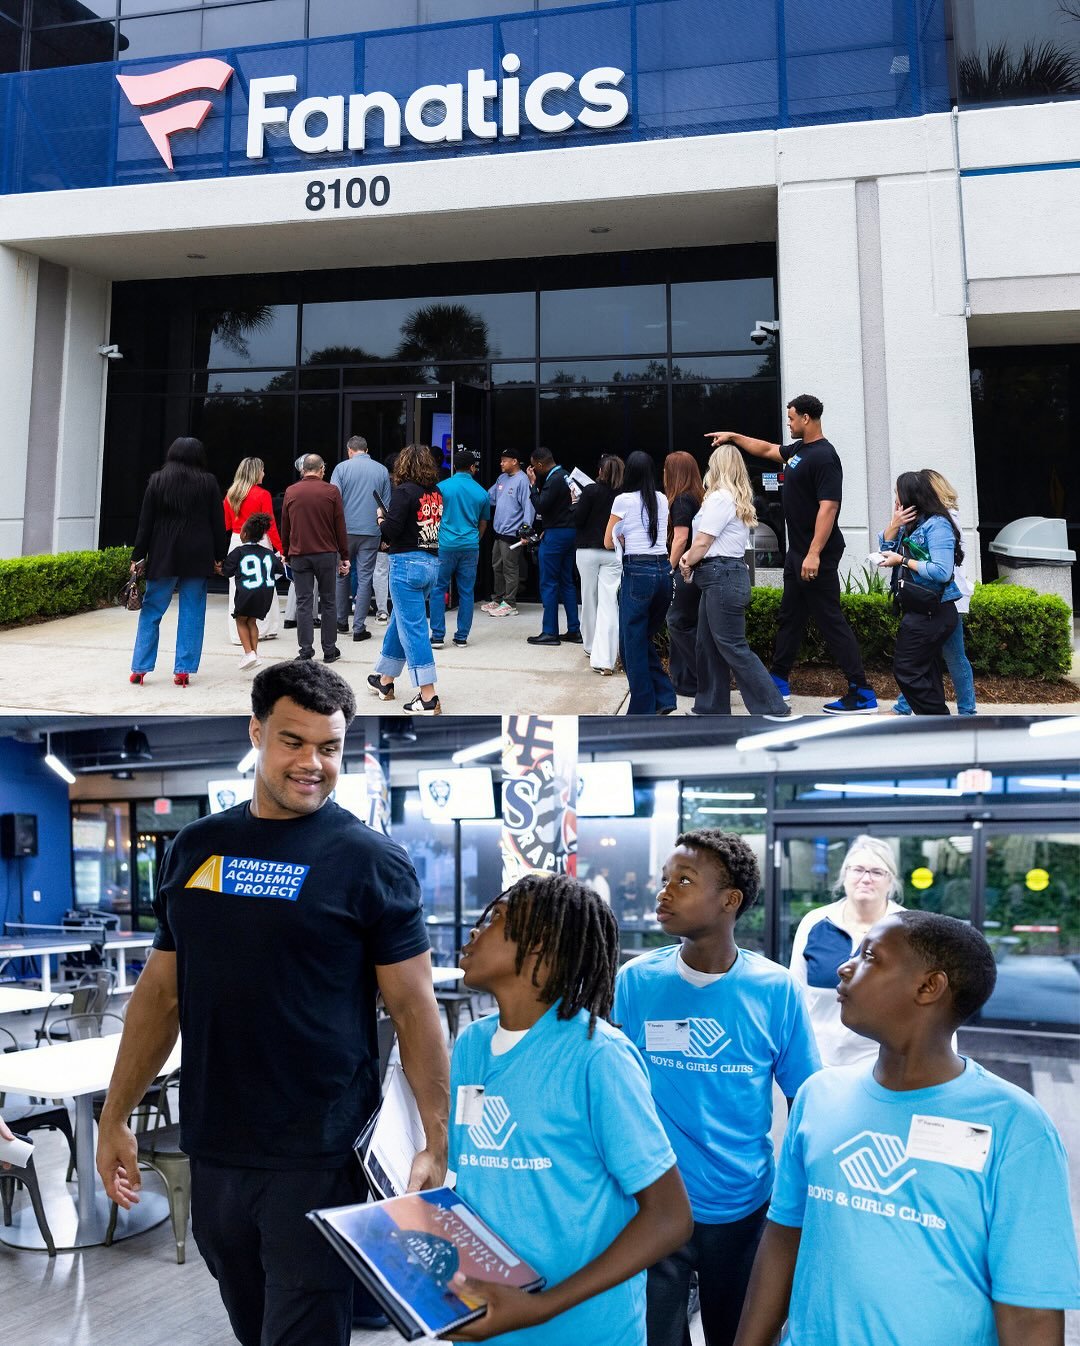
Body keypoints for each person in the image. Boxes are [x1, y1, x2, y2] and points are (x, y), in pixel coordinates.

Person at [96, 661, 451, 1346]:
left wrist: (436, 1141)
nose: (313, 763)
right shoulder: (197, 849)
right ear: (256, 732)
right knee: (252, 1323)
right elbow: (160, 993)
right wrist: (115, 1115)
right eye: (294, 741)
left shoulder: (369, 861)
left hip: (319, 1154)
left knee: (304, 1329)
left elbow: (414, 1012)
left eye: (330, 747)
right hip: (216, 1144)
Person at [734, 911, 1080, 1346]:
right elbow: (784, 1237)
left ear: (928, 987)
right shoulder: (818, 1095)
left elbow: (1030, 1314)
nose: (844, 966)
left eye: (869, 956)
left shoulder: (1016, 1127)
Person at [444, 874, 693, 1345]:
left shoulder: (599, 1055)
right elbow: (476, 1183)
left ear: (539, 946)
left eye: (496, 919)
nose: (475, 931)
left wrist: (540, 1308)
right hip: (486, 1326)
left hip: (583, 1332)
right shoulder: (471, 1045)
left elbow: (670, 1218)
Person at [615, 830, 820, 1346]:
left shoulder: (775, 990)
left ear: (730, 901)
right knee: (655, 1336)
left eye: (683, 881)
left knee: (741, 1333)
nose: (664, 892)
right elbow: (612, 1085)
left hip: (743, 1203)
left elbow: (806, 1101)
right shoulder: (636, 981)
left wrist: (801, 1197)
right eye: (665, 880)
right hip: (652, 1201)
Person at [708, 395, 878, 715]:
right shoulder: (799, 451)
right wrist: (734, 437)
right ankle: (779, 680)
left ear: (806, 418)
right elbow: (769, 450)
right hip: (798, 552)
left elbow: (829, 507)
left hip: (817, 554)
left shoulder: (825, 457)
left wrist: (814, 553)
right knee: (790, 617)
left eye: (791, 418)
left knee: (830, 622)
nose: (788, 423)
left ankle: (862, 692)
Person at [679, 446, 791, 718]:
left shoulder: (720, 498)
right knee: (707, 646)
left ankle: (772, 708)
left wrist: (686, 561)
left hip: (720, 576)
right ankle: (710, 706)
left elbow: (704, 541)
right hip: (721, 577)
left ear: (716, 467)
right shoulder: (733, 499)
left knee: (732, 646)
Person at [787, 834, 903, 1068]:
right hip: (817, 1061)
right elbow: (795, 994)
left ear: (890, 882)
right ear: (845, 875)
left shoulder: (905, 928)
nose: (865, 878)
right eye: (858, 869)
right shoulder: (815, 922)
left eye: (877, 872)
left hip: (879, 1067)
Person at [128, 436, 227, 688]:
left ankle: (139, 668)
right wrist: (219, 556)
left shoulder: (157, 481)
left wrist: (137, 556)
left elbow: (145, 523)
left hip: (163, 553)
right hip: (197, 554)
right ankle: (183, 670)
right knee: (192, 611)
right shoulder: (208, 482)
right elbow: (217, 522)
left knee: (152, 609)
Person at [878, 470, 963, 715]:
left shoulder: (938, 525)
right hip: (917, 608)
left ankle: (937, 719)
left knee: (907, 669)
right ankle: (936, 724)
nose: (896, 499)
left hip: (934, 610)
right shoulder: (913, 522)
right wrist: (895, 524)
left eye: (898, 494)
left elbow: (941, 571)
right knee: (925, 669)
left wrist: (903, 561)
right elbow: (886, 549)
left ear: (912, 496)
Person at [368, 442, 444, 715]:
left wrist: (380, 519)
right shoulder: (435, 493)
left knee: (413, 630)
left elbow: (390, 532)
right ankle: (385, 680)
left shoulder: (403, 492)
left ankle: (427, 696)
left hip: (405, 565)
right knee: (402, 621)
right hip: (431, 563)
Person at [605, 451, 675, 714]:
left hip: (638, 572)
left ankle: (642, 709)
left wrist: (622, 538)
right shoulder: (662, 499)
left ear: (629, 473)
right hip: (663, 570)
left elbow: (608, 540)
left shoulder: (622, 500)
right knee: (640, 638)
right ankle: (664, 697)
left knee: (631, 644)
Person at [280, 454, 350, 665]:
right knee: (329, 601)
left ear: (303, 470)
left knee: (304, 602)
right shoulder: (331, 491)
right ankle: (329, 650)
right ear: (321, 470)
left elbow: (286, 525)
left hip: (300, 554)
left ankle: (305, 650)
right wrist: (344, 555)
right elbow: (340, 526)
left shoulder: (291, 491)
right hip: (326, 554)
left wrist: (285, 551)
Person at [329, 435, 391, 645]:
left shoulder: (341, 468)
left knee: (341, 574)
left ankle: (340, 621)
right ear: (366, 449)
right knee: (365, 578)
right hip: (371, 531)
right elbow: (385, 505)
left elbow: (333, 500)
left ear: (349, 450)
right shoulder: (381, 470)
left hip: (344, 531)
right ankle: (359, 628)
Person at [431, 449, 491, 649]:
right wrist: (475, 539)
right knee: (466, 592)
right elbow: (483, 523)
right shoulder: (482, 492)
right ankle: (461, 637)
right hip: (470, 546)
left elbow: (434, 516)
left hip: (445, 545)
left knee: (438, 589)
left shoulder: (441, 488)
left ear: (454, 467)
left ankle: (438, 636)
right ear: (473, 468)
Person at [223, 456, 283, 645]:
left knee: (236, 587)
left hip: (236, 540)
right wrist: (281, 548)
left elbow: (226, 524)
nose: (264, 473)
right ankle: (266, 628)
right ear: (255, 472)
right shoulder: (262, 495)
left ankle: (237, 634)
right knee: (265, 585)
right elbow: (270, 525)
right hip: (260, 541)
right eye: (262, 470)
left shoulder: (230, 495)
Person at [526, 447, 581, 646]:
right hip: (569, 532)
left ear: (540, 464)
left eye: (534, 466)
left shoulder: (554, 478)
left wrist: (533, 485)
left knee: (548, 583)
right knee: (567, 581)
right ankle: (574, 630)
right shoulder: (566, 476)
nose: (533, 469)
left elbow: (541, 505)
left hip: (556, 536)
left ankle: (550, 632)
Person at [574, 454, 624, 675]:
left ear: (601, 471)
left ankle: (590, 646)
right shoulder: (623, 495)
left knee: (588, 598)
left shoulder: (591, 491)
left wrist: (573, 503)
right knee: (609, 601)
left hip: (587, 550)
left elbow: (578, 520)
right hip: (613, 552)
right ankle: (609, 647)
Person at [663, 451, 705, 698]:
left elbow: (680, 539)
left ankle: (704, 676)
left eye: (667, 469)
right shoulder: (698, 497)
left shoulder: (680, 500)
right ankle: (684, 681)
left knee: (676, 621)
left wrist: (668, 569)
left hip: (685, 570)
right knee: (689, 623)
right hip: (699, 570)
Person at [221, 512, 286, 671]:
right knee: (252, 621)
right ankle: (254, 654)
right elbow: (279, 570)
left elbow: (227, 571)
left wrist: (219, 569)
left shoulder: (238, 552)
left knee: (241, 620)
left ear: (243, 533)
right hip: (265, 595)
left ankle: (248, 653)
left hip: (246, 593)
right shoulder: (268, 553)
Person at [485, 449, 535, 618]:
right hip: (499, 531)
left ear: (514, 461)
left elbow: (529, 507)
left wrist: (526, 531)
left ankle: (510, 603)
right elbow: (488, 497)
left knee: (510, 568)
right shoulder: (502, 478)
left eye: (504, 460)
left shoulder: (523, 480)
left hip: (512, 533)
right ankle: (498, 599)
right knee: (496, 565)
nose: (501, 463)